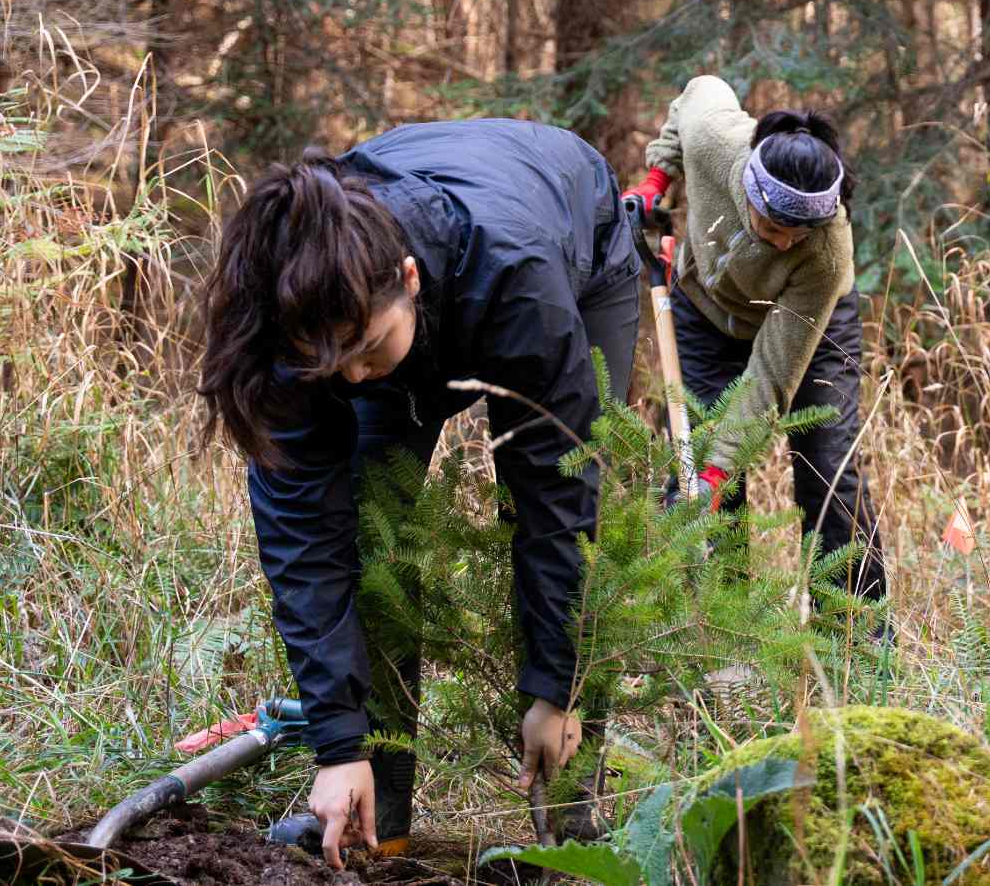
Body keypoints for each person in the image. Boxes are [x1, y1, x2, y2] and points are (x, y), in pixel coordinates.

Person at [197, 119, 639, 869]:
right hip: (426, 255)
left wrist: (554, 684)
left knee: (553, 506)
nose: (356, 379)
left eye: (370, 351)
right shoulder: (309, 302)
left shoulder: (520, 281)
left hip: (572, 241)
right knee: (377, 533)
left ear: (406, 277)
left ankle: (571, 821)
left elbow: (559, 501)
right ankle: (380, 816)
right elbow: (308, 542)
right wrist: (338, 743)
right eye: (334, 365)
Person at [621, 75, 886, 612]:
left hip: (810, 325)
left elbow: (769, 375)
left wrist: (718, 471)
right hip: (705, 309)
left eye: (799, 234)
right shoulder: (716, 140)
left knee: (827, 468)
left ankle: (856, 635)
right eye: (775, 230)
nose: (786, 242)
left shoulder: (826, 252)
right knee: (695, 463)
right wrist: (656, 179)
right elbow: (695, 91)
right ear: (750, 191)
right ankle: (724, 634)